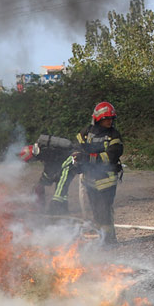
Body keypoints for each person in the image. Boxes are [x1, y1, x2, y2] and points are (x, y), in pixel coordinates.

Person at [54, 101, 124, 246]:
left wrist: (89, 158)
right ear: (98, 119)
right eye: (106, 119)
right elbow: (77, 147)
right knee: (95, 211)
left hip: (107, 180)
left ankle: (109, 240)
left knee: (104, 210)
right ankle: (102, 239)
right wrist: (77, 156)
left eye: (111, 119)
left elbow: (111, 156)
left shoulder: (113, 135)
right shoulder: (86, 132)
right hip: (89, 179)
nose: (110, 121)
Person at [18, 134, 77, 214]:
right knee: (61, 186)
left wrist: (43, 181)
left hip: (70, 159)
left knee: (61, 185)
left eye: (30, 160)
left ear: (31, 157)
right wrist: (42, 181)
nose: (32, 162)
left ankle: (55, 207)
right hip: (65, 160)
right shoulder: (42, 149)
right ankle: (63, 209)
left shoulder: (42, 152)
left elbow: (50, 168)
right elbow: (51, 167)